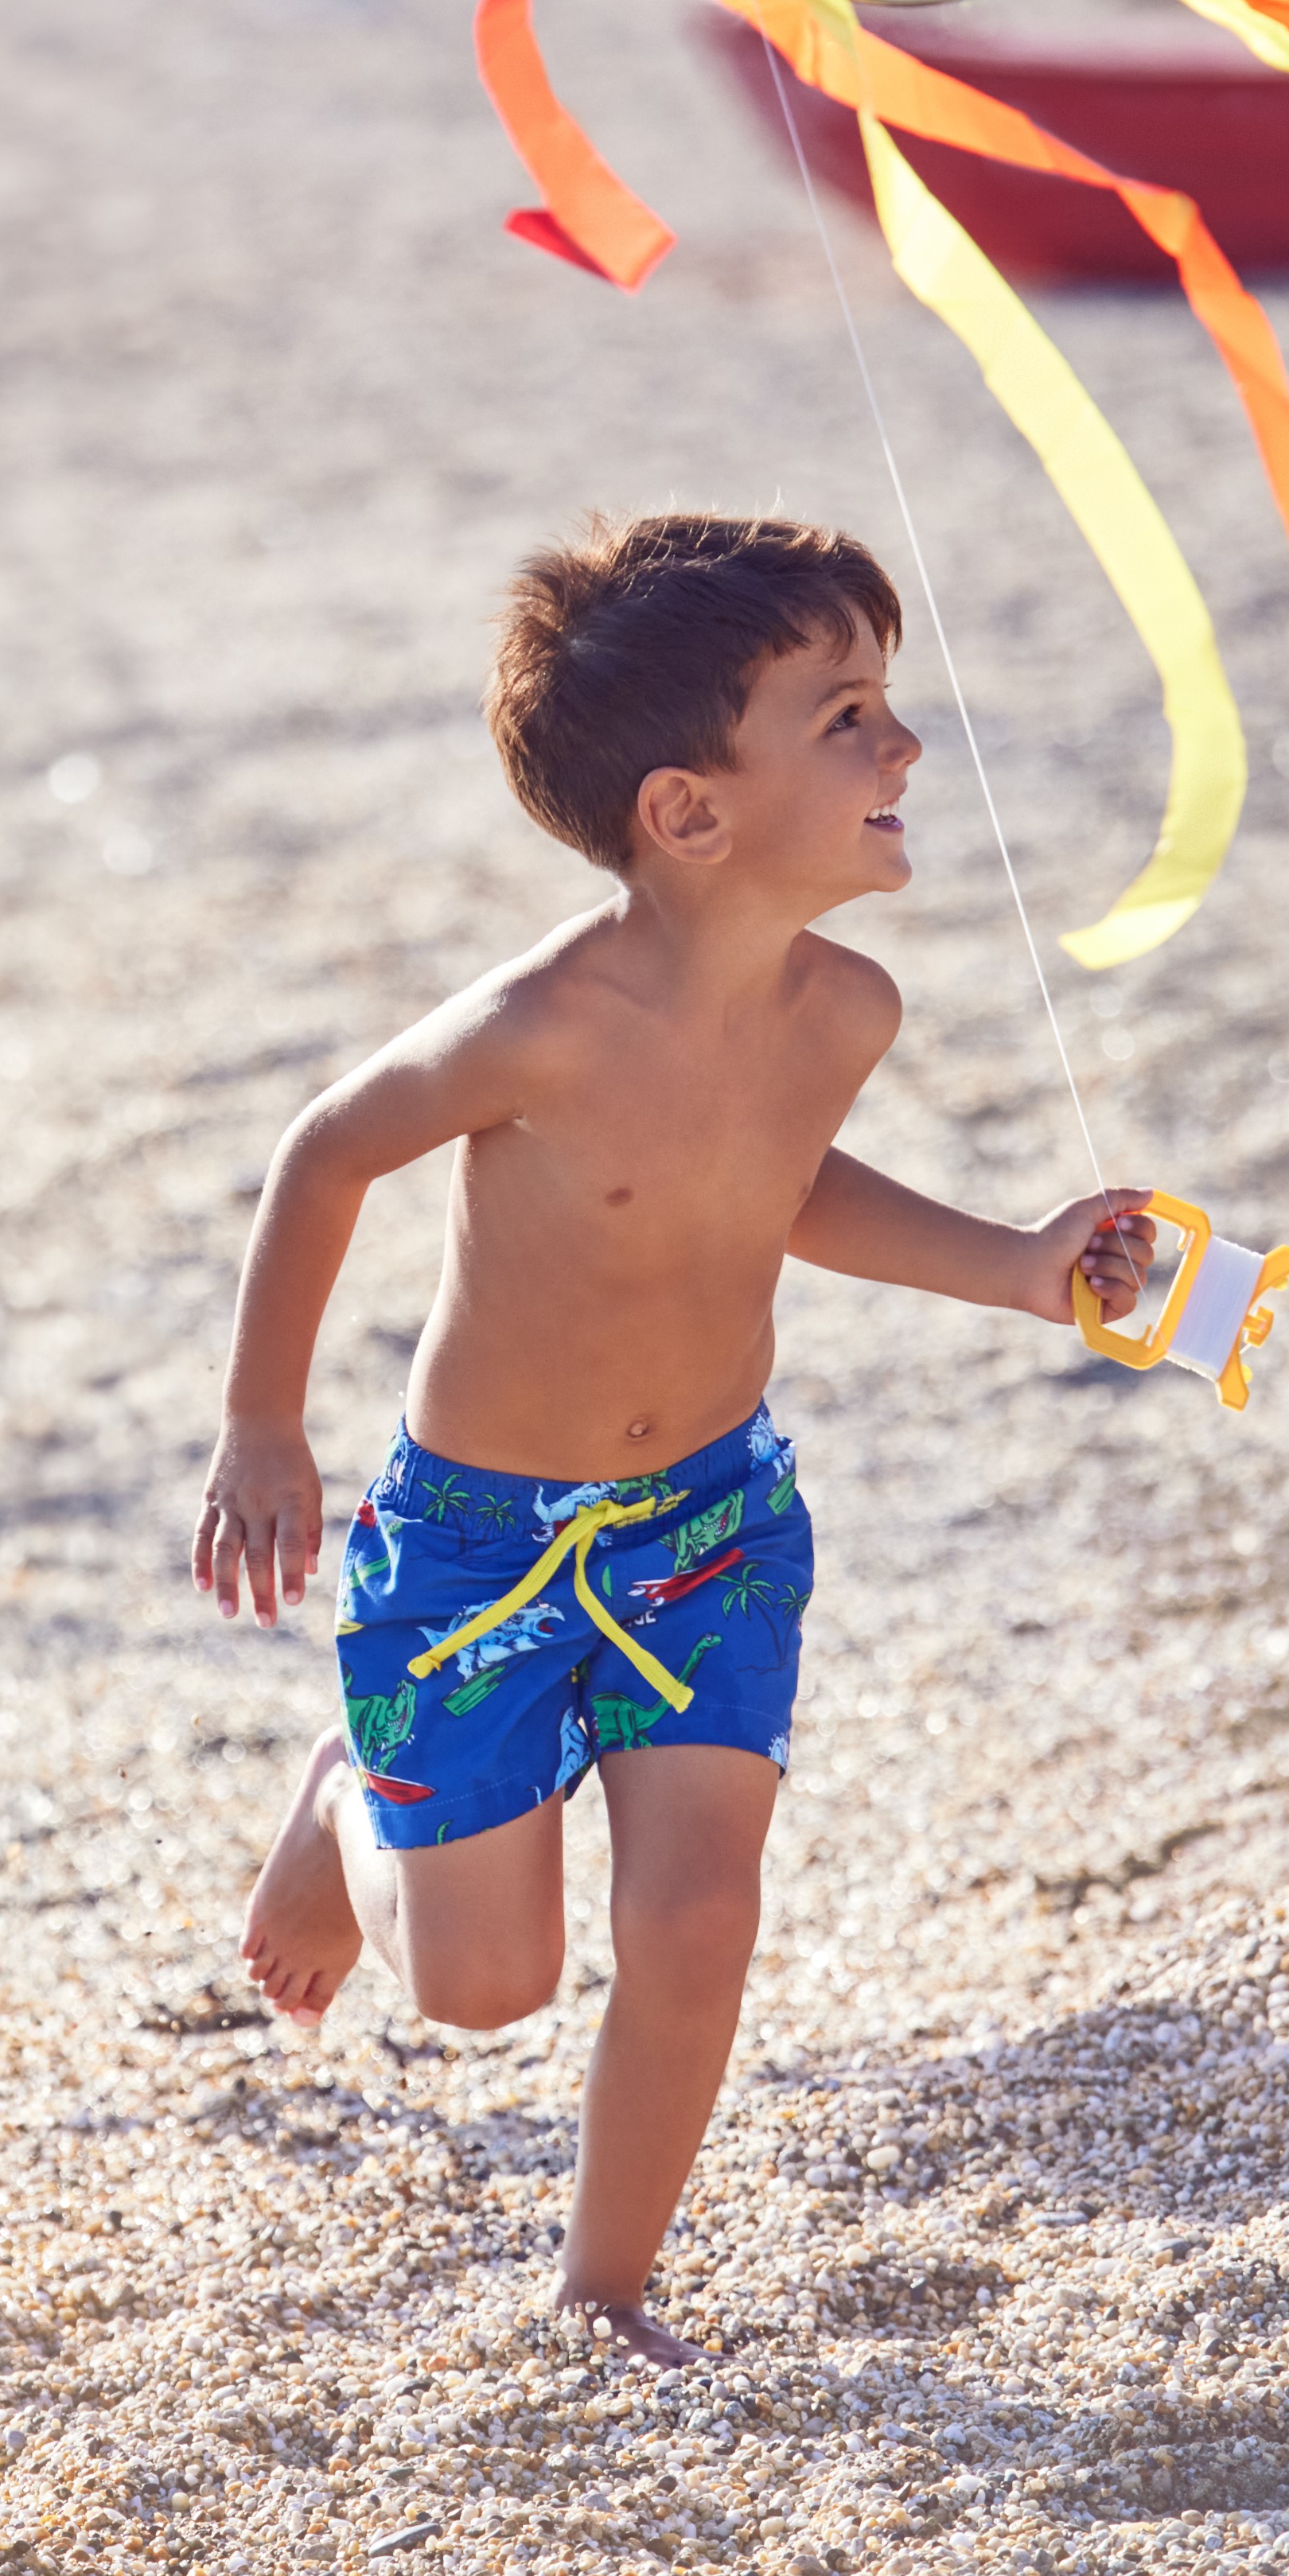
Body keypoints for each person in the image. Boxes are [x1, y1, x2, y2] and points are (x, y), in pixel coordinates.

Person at [190, 514, 1159, 2368]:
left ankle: (605, 2288)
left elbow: (789, 1190)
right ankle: (346, 1801)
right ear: (689, 813)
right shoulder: (545, 1025)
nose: (906, 750)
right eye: (849, 716)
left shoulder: (845, 1008)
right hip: (476, 1536)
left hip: (709, 1524)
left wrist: (1027, 1270)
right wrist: (262, 1423)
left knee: (702, 1906)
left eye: (890, 703)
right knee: (488, 1986)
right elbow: (327, 1147)